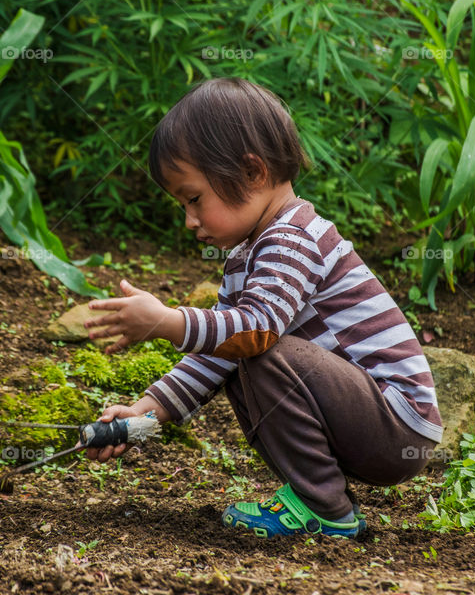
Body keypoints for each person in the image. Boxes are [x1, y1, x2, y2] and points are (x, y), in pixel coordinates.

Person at [82, 77, 442, 539]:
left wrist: (166, 322)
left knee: (259, 348)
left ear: (252, 173)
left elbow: (256, 331)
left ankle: (324, 507)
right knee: (240, 350)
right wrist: (145, 413)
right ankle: (320, 499)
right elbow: (219, 352)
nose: (189, 221)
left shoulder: (292, 238)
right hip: (366, 423)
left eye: (194, 199)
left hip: (395, 424)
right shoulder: (246, 256)